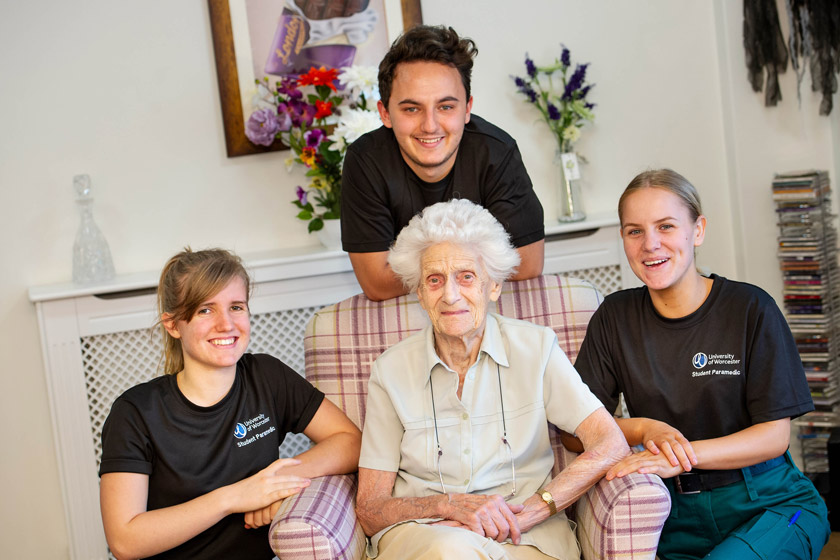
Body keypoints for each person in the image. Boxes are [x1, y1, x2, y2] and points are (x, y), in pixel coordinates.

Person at [574, 169, 830, 560]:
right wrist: (642, 427)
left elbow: (774, 437)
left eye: (666, 226)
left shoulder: (749, 308)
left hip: (770, 502)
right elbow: (576, 433)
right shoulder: (614, 317)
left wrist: (677, 455)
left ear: (698, 230)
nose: (650, 244)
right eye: (634, 231)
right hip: (674, 516)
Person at [355, 199, 628, 560]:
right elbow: (371, 508)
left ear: (493, 286)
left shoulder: (536, 348)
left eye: (466, 277)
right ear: (420, 294)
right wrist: (447, 506)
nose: (450, 295)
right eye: (434, 281)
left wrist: (536, 508)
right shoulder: (390, 371)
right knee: (450, 552)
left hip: (525, 537)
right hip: (429, 539)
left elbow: (610, 442)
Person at [99, 248, 362, 560]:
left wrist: (274, 484)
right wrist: (236, 497)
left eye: (236, 307)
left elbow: (350, 441)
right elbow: (125, 540)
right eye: (205, 310)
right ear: (172, 324)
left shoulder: (267, 376)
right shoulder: (134, 413)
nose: (226, 324)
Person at [341, 25, 545, 301]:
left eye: (446, 107)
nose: (430, 125)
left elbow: (528, 263)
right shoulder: (365, 161)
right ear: (385, 113)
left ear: (467, 108)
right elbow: (377, 283)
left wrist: (425, 269)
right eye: (412, 109)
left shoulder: (497, 151)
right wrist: (474, 264)